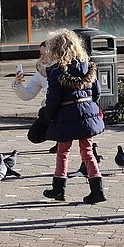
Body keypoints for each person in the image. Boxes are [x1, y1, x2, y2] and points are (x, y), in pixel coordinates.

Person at [41, 29, 106, 204]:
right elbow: (97, 92)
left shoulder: (57, 71)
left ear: (56, 50)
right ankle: (97, 190)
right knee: (88, 151)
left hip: (66, 116)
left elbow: (53, 98)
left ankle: (59, 189)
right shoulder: (87, 67)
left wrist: (49, 115)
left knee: (63, 151)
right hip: (86, 113)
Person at [13, 41, 58, 153]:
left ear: (54, 54)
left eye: (44, 54)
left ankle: (63, 141)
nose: (41, 57)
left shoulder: (63, 69)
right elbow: (28, 95)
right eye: (40, 54)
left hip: (63, 109)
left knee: (44, 112)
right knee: (34, 135)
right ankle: (61, 137)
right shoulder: (41, 69)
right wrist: (18, 83)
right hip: (51, 109)